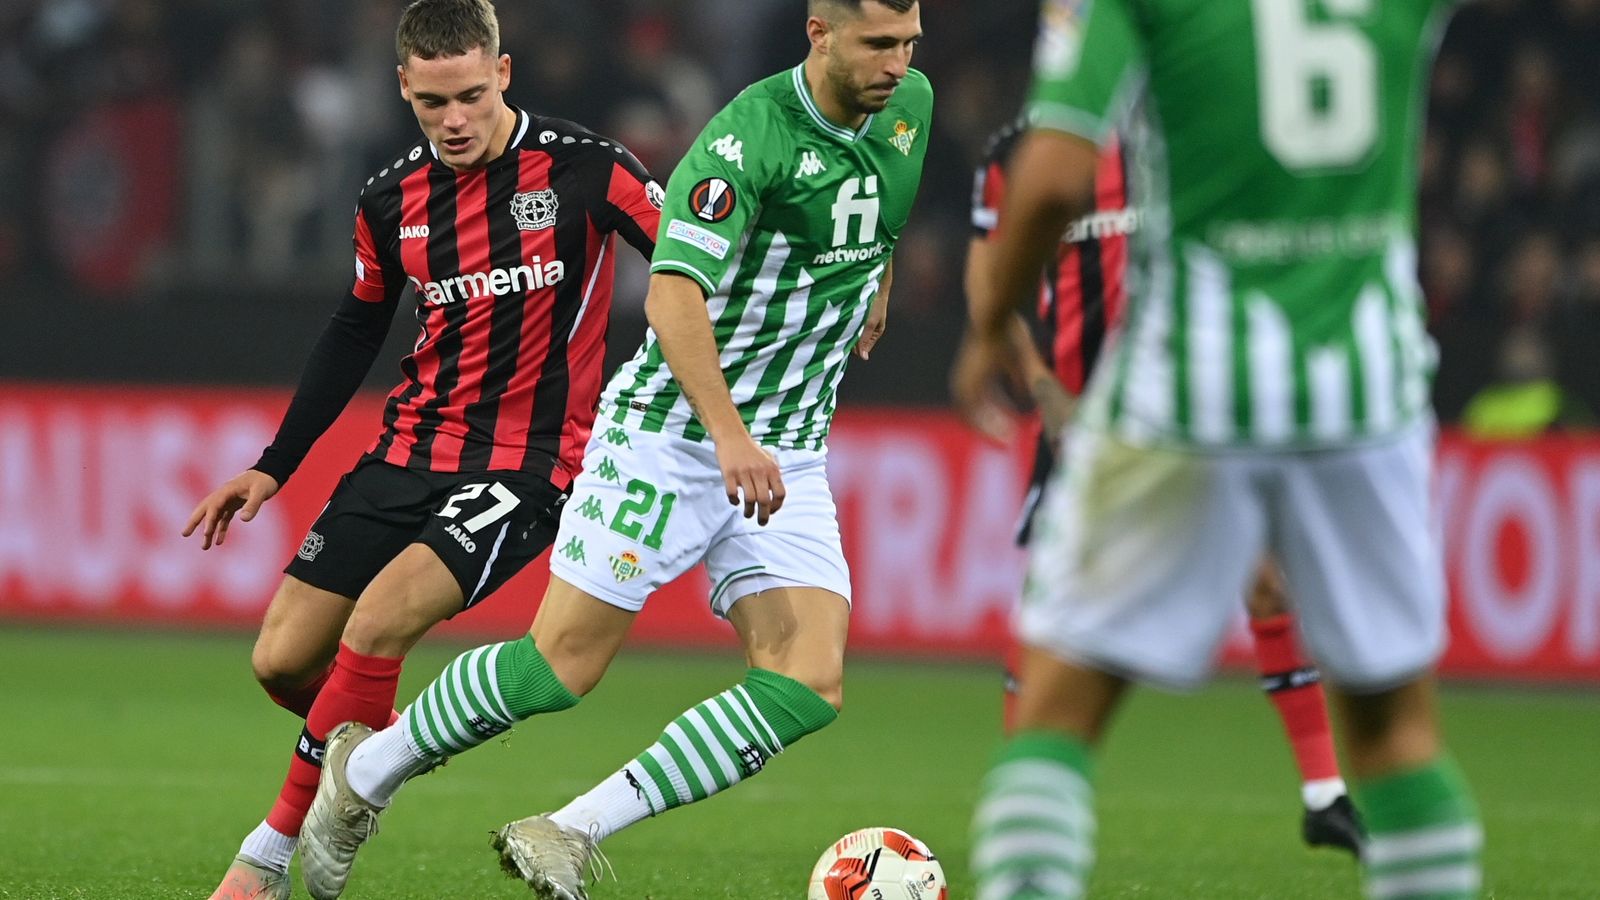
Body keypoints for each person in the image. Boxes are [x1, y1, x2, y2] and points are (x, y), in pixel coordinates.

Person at [296, 2, 929, 899]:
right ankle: (363, 774)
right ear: (818, 35)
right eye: (877, 45)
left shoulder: (910, 105)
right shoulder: (747, 139)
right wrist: (729, 436)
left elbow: (882, 196)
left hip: (787, 445)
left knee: (808, 683)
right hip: (673, 436)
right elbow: (672, 299)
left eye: (909, 43)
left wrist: (877, 273)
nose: (898, 63)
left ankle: (570, 827)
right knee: (561, 667)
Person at [955, 1, 1482, 898]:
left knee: (1058, 707)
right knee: (1396, 734)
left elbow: (1047, 181)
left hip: (1190, 385)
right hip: (1367, 387)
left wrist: (989, 324)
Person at [184, 1, 662, 897]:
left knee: (378, 624)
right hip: (406, 452)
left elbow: (692, 263)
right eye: (433, 102)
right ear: (404, 84)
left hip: (528, 463)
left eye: (472, 97)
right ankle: (393, 747)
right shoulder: (389, 197)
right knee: (282, 661)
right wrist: (272, 464)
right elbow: (353, 331)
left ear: (504, 74)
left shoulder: (591, 172)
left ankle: (270, 859)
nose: (454, 121)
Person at [969, 117, 1362, 854]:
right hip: (1082, 420)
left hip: (1189, 406)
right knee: (1053, 617)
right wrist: (1042, 387)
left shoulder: (1190, 122)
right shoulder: (1019, 151)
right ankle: (1016, 801)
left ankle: (1325, 794)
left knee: (1268, 582)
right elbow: (989, 280)